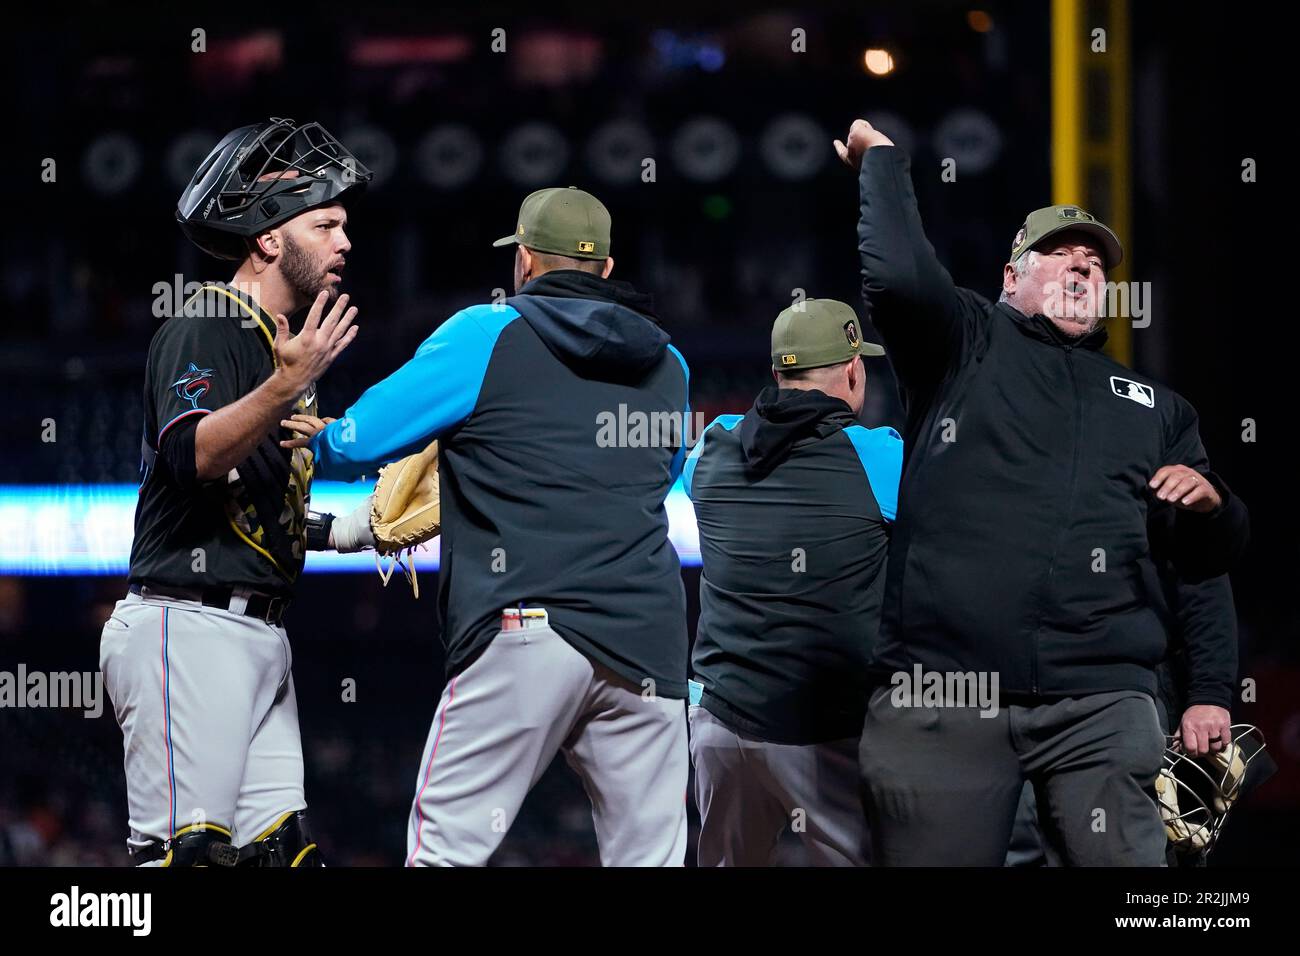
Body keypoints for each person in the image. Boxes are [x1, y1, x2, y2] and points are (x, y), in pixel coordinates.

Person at [835, 118, 1249, 866]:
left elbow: (1202, 564)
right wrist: (883, 164)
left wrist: (1211, 686)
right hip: (946, 692)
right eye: (1059, 254)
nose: (1082, 266)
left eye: (1095, 262)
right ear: (1010, 277)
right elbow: (897, 275)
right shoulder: (964, 342)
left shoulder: (1157, 407)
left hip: (1100, 697)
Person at [288, 186, 692, 866]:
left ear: (526, 261)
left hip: (529, 626)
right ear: (608, 268)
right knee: (650, 859)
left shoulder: (488, 332)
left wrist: (317, 439)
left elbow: (359, 442)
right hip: (650, 645)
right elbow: (657, 470)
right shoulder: (671, 365)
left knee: (447, 849)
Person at [99, 118, 368, 866]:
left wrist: (348, 532)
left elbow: (257, 504)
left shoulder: (274, 342)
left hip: (255, 633)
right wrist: (285, 385)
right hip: (186, 627)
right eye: (325, 223)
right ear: (268, 239)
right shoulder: (205, 321)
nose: (344, 241)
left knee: (281, 855)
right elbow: (191, 457)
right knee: (186, 858)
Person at [683, 298, 900, 866]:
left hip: (719, 721)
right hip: (823, 733)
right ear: (855, 370)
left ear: (778, 373)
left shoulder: (712, 447)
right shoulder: (879, 457)